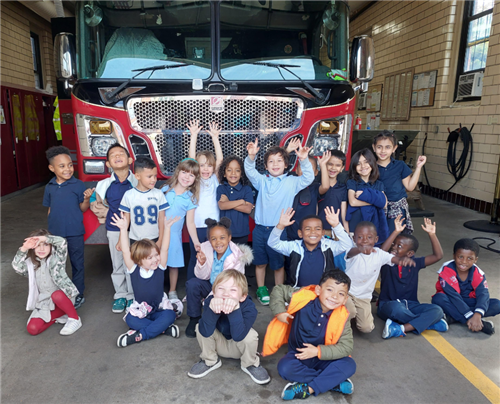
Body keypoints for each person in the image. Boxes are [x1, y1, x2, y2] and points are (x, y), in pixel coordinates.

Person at [262, 269, 356, 400]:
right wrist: (279, 312)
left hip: (324, 358)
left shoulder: (342, 317)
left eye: (341, 293)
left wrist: (317, 351)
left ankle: (308, 389)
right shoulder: (304, 298)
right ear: (318, 290)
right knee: (284, 367)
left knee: (349, 364)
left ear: (345, 299)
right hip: (299, 355)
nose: (334, 296)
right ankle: (333, 381)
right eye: (330, 290)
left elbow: (346, 347)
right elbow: (279, 290)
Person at [245, 138, 313, 305]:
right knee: (260, 262)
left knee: (278, 264)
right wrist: (251, 156)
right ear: (266, 166)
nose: (275, 164)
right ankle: (261, 289)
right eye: (271, 161)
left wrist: (303, 160)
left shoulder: (292, 182)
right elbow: (249, 171)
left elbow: (308, 178)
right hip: (260, 229)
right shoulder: (262, 181)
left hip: (279, 230)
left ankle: (278, 290)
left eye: (279, 161)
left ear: (286, 165)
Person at [187, 270, 271, 385]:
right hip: (218, 345)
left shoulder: (249, 307)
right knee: (200, 326)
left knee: (251, 336)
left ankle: (250, 364)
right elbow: (205, 332)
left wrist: (235, 309)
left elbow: (238, 336)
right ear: (214, 292)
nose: (226, 293)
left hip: (239, 348)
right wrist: (212, 310)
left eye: (233, 290)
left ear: (242, 297)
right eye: (221, 289)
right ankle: (210, 360)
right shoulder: (210, 302)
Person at [112, 212, 181, 347]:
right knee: (131, 320)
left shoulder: (160, 267)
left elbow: (165, 249)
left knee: (170, 316)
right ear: (138, 261)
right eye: (150, 258)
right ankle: (163, 329)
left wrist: (167, 229)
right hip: (141, 311)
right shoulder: (134, 269)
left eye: (156, 255)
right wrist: (123, 229)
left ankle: (140, 335)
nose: (155, 259)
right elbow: (126, 251)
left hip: (159, 310)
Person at [377, 216, 447, 339]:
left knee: (437, 310)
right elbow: (381, 252)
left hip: (411, 305)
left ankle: (401, 328)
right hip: (388, 305)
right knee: (397, 309)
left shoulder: (415, 263)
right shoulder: (387, 260)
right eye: (394, 244)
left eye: (399, 246)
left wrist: (432, 234)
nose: (394, 247)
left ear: (410, 254)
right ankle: (428, 323)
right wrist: (395, 232)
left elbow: (438, 255)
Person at [43, 146, 94, 309]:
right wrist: (49, 232)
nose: (68, 169)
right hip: (56, 233)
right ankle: (59, 293)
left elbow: (83, 208)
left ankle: (77, 293)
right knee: (57, 265)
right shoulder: (49, 187)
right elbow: (49, 209)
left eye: (70, 165)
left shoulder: (78, 185)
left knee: (77, 263)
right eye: (62, 166)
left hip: (75, 232)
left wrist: (86, 199)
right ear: (52, 168)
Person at [185, 217, 253, 338]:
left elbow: (234, 285)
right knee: (192, 284)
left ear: (229, 238)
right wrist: (202, 263)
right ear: (209, 241)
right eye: (214, 239)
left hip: (226, 290)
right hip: (210, 284)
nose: (218, 242)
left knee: (221, 322)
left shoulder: (236, 256)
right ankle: (194, 318)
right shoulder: (205, 248)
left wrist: (210, 299)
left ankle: (215, 319)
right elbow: (201, 276)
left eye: (222, 238)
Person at [91, 143, 138, 314]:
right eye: (113, 155)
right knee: (117, 262)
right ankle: (120, 295)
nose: (118, 156)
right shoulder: (103, 185)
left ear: (130, 160)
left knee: (132, 262)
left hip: (135, 230)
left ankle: (132, 295)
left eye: (121, 154)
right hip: (114, 229)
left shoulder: (137, 181)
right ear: (108, 164)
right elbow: (100, 203)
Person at [345, 221, 415, 333]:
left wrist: (403, 261)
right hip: (346, 293)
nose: (364, 240)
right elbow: (350, 253)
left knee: (366, 328)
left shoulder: (379, 254)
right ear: (354, 239)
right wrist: (360, 250)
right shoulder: (352, 251)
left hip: (363, 297)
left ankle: (351, 316)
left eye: (369, 237)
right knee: (351, 311)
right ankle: (342, 327)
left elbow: (394, 259)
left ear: (376, 239)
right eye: (360, 237)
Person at [12, 229, 82, 336]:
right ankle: (56, 317)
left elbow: (62, 242)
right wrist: (24, 248)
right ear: (33, 248)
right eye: (38, 245)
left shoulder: (57, 259)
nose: (42, 248)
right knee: (32, 329)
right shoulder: (31, 265)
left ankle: (74, 319)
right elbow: (17, 267)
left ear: (51, 246)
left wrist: (44, 238)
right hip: (45, 303)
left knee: (57, 295)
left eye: (45, 245)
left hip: (64, 298)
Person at [268, 207, 354, 287]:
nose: (313, 232)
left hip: (322, 292)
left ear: (323, 232)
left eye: (317, 229)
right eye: (308, 229)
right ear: (300, 233)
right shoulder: (294, 247)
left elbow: (347, 244)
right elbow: (273, 243)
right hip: (299, 291)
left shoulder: (328, 247)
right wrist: (280, 226)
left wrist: (336, 225)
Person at [432, 238, 500, 335]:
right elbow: (454, 297)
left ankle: (452, 318)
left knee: (497, 304)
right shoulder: (446, 270)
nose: (464, 261)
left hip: (468, 302)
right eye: (460, 257)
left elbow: (483, 294)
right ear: (454, 256)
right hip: (452, 300)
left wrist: (478, 314)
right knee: (438, 299)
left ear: (475, 260)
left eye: (469, 258)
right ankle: (475, 324)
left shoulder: (478, 273)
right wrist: (470, 317)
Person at [186, 120, 224, 280]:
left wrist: (216, 138)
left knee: (213, 257)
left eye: (209, 165)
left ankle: (211, 287)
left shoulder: (215, 179)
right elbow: (191, 160)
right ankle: (191, 287)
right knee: (195, 257)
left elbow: (220, 161)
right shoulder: (195, 180)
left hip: (213, 226)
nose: (206, 169)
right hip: (196, 226)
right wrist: (193, 136)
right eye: (202, 166)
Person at [372, 130, 427, 234]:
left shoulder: (400, 165)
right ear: (374, 147)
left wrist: (419, 167)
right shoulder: (370, 167)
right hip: (377, 208)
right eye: (379, 147)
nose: (383, 151)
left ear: (394, 148)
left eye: (388, 147)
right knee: (379, 238)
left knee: (396, 240)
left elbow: (410, 187)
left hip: (397, 210)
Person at [161, 158, 201, 300]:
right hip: (159, 233)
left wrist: (196, 241)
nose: (186, 177)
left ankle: (172, 291)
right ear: (178, 172)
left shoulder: (190, 198)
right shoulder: (165, 190)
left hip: (174, 236)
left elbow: (190, 223)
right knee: (156, 262)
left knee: (173, 265)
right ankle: (157, 290)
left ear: (195, 179)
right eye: (184, 172)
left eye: (191, 175)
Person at [119, 157, 169, 245]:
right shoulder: (129, 195)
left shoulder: (158, 194)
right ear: (137, 176)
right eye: (149, 176)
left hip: (154, 238)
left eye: (155, 176)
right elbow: (126, 220)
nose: (154, 179)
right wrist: (120, 240)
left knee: (154, 259)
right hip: (135, 239)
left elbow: (161, 219)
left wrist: (160, 239)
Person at [346, 148, 389, 245]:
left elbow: (384, 204)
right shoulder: (352, 182)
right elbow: (353, 202)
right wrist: (375, 201)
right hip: (355, 225)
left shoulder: (378, 184)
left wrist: (366, 196)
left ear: (372, 163)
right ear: (354, 167)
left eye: (366, 162)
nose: (363, 166)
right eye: (358, 164)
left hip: (372, 226)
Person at [216, 155, 254, 244]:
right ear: (224, 174)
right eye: (229, 170)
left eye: (237, 170)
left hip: (242, 234)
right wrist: (241, 202)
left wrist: (228, 203)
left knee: (240, 257)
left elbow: (248, 209)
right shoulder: (221, 188)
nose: (233, 173)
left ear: (241, 174)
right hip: (224, 234)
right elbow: (222, 206)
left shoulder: (246, 189)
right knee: (226, 257)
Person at [285, 153, 321, 242]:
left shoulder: (315, 187)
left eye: (309, 168)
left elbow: (325, 187)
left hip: (309, 231)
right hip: (291, 229)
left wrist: (323, 165)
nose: (306, 171)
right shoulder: (290, 184)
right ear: (296, 170)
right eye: (302, 167)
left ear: (316, 172)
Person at [317, 150, 348, 235]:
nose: (333, 168)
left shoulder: (343, 188)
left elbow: (343, 214)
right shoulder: (318, 187)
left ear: (342, 168)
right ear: (324, 165)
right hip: (320, 231)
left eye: (338, 165)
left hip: (337, 231)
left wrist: (347, 233)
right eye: (330, 164)